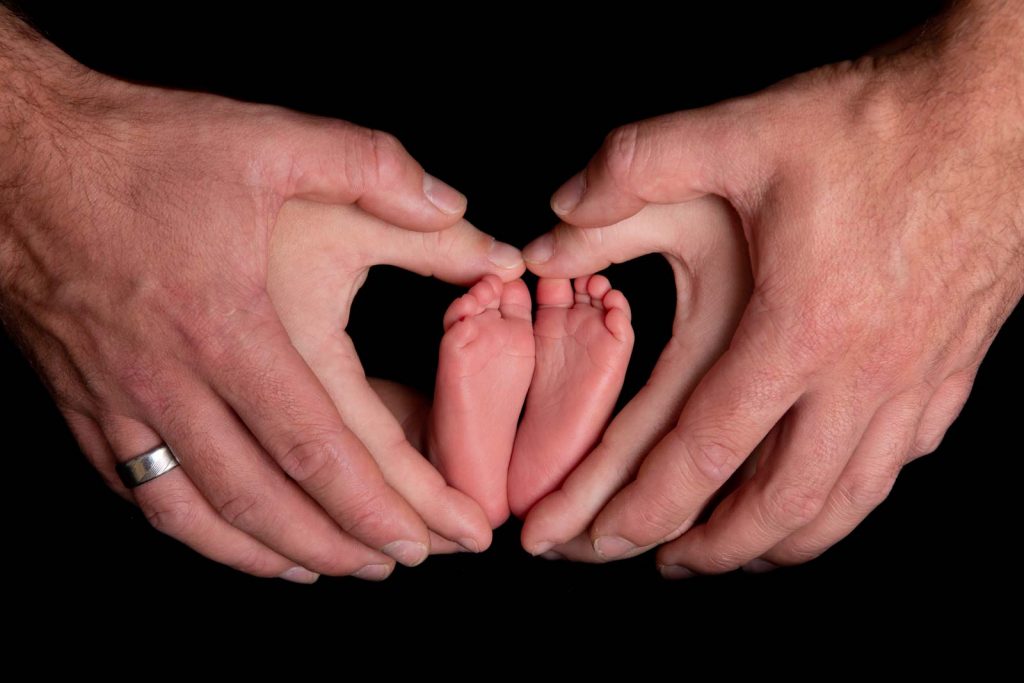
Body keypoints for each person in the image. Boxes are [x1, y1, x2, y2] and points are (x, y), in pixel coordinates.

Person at [518, 0, 1023, 576]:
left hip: (859, 204)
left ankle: (473, 455)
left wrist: (990, 103)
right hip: (833, 174)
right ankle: (474, 448)